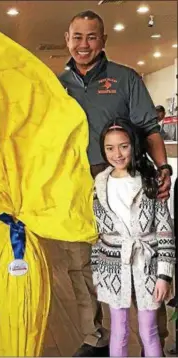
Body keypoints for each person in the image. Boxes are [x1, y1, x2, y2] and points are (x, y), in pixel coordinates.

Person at [58, 10, 173, 356]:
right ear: (67, 40)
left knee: (142, 255)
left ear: (103, 40)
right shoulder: (56, 84)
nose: (83, 44)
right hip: (75, 185)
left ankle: (155, 337)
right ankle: (95, 336)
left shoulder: (125, 79)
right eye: (77, 37)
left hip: (125, 180)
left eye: (91, 37)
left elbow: (149, 130)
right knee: (80, 262)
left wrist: (163, 169)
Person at [91, 119, 175, 357]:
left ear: (134, 146)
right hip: (112, 268)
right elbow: (99, 235)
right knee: (118, 330)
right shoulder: (100, 186)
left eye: (124, 146)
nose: (117, 154)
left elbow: (165, 231)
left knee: (149, 330)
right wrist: (98, 273)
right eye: (110, 148)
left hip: (147, 266)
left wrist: (164, 275)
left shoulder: (150, 181)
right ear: (103, 149)